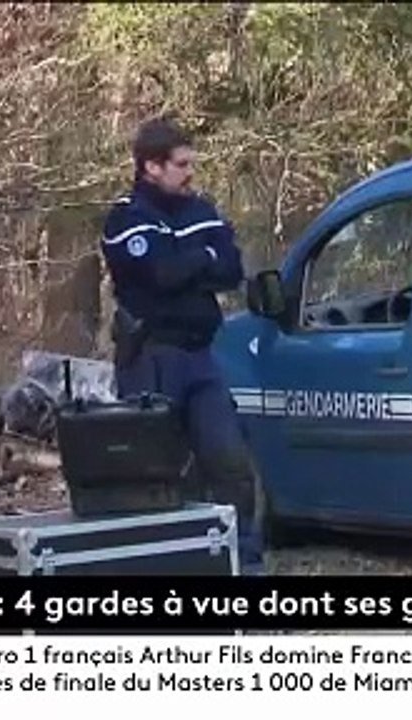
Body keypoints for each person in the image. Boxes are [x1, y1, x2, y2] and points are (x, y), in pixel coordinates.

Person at [100, 116, 264, 575]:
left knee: (230, 463)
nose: (190, 173)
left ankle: (243, 569)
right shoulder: (125, 217)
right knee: (151, 474)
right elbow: (157, 275)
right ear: (152, 167)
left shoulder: (202, 210)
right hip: (151, 360)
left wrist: (193, 260)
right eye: (181, 164)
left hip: (200, 357)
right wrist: (201, 260)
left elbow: (230, 268)